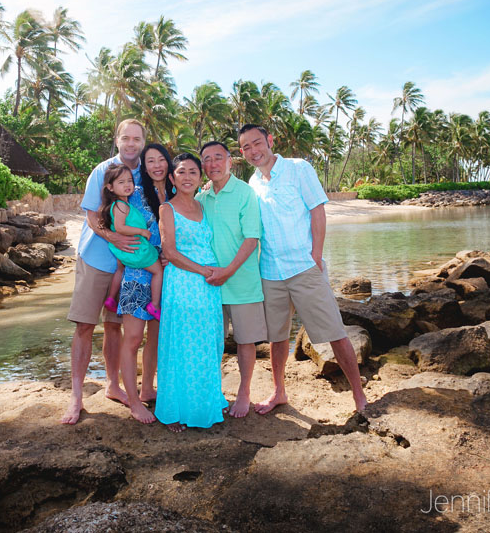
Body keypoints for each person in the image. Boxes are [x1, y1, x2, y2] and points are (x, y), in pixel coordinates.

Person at [238, 124, 369, 413]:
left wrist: (316, 255)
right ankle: (279, 392)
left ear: (270, 140)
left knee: (335, 332)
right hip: (270, 272)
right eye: (246, 147)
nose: (253, 151)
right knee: (277, 337)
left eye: (257, 143)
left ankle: (359, 397)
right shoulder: (252, 183)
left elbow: (317, 210)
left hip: (304, 267)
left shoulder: (298, 168)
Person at [61, 119, 146, 425]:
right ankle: (76, 397)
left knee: (113, 326)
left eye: (137, 139)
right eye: (126, 138)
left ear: (143, 142)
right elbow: (91, 214)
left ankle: (112, 385)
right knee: (85, 326)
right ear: (117, 139)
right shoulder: (103, 170)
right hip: (96, 259)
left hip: (128, 266)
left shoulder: (146, 172)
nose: (131, 143)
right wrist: (113, 237)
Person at [155, 153, 228, 432]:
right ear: (172, 178)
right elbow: (170, 252)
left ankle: (207, 401)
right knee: (181, 344)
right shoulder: (167, 209)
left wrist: (212, 273)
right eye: (181, 172)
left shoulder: (203, 205)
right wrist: (203, 271)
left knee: (208, 343)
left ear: (200, 178)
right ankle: (174, 410)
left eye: (193, 172)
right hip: (184, 283)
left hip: (209, 287)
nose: (187, 177)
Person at [197, 141, 265, 418]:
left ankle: (244, 393)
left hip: (242, 282)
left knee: (245, 341)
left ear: (230, 161)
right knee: (211, 341)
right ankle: (214, 392)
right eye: (207, 159)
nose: (212, 164)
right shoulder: (200, 198)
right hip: (209, 285)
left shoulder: (245, 193)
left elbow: (251, 238)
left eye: (218, 157)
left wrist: (228, 270)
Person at [116, 143, 174, 424]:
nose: (156, 165)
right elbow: (110, 219)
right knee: (133, 338)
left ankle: (148, 388)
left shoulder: (178, 191)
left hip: (169, 276)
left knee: (157, 337)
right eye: (150, 161)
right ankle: (134, 402)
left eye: (161, 159)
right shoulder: (134, 193)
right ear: (144, 166)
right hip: (138, 274)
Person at [98, 164, 163, 320]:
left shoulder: (120, 204)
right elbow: (120, 227)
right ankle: (154, 305)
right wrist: (141, 231)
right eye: (121, 182)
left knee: (120, 269)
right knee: (158, 271)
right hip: (134, 249)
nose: (127, 185)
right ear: (110, 187)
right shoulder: (120, 205)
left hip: (123, 250)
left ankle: (111, 298)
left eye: (129, 181)